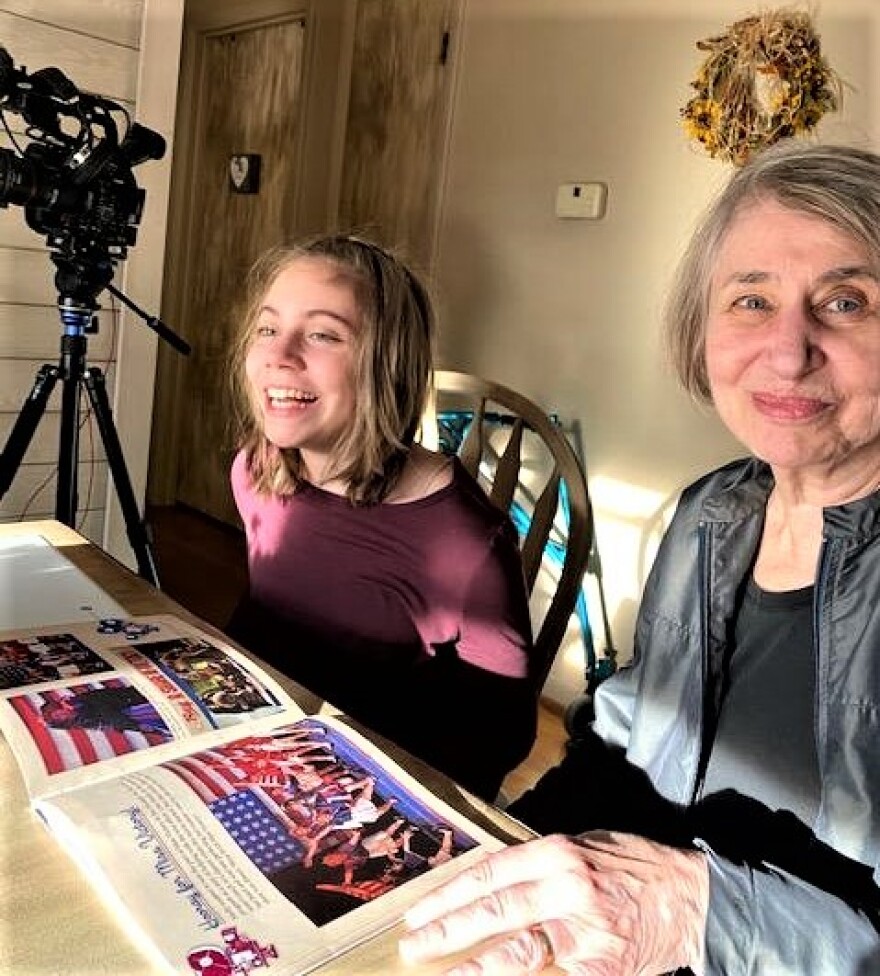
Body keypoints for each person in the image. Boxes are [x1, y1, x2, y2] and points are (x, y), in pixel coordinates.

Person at [398, 140, 880, 975]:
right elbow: (622, 744)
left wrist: (697, 914)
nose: (788, 348)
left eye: (846, 301)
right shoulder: (711, 514)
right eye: (751, 300)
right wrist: (494, 853)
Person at [225, 235, 536, 801]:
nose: (279, 353)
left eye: (322, 334)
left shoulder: (461, 542)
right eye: (268, 328)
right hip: (258, 749)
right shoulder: (256, 470)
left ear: (386, 365)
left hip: (364, 790)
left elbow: (500, 737)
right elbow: (270, 622)